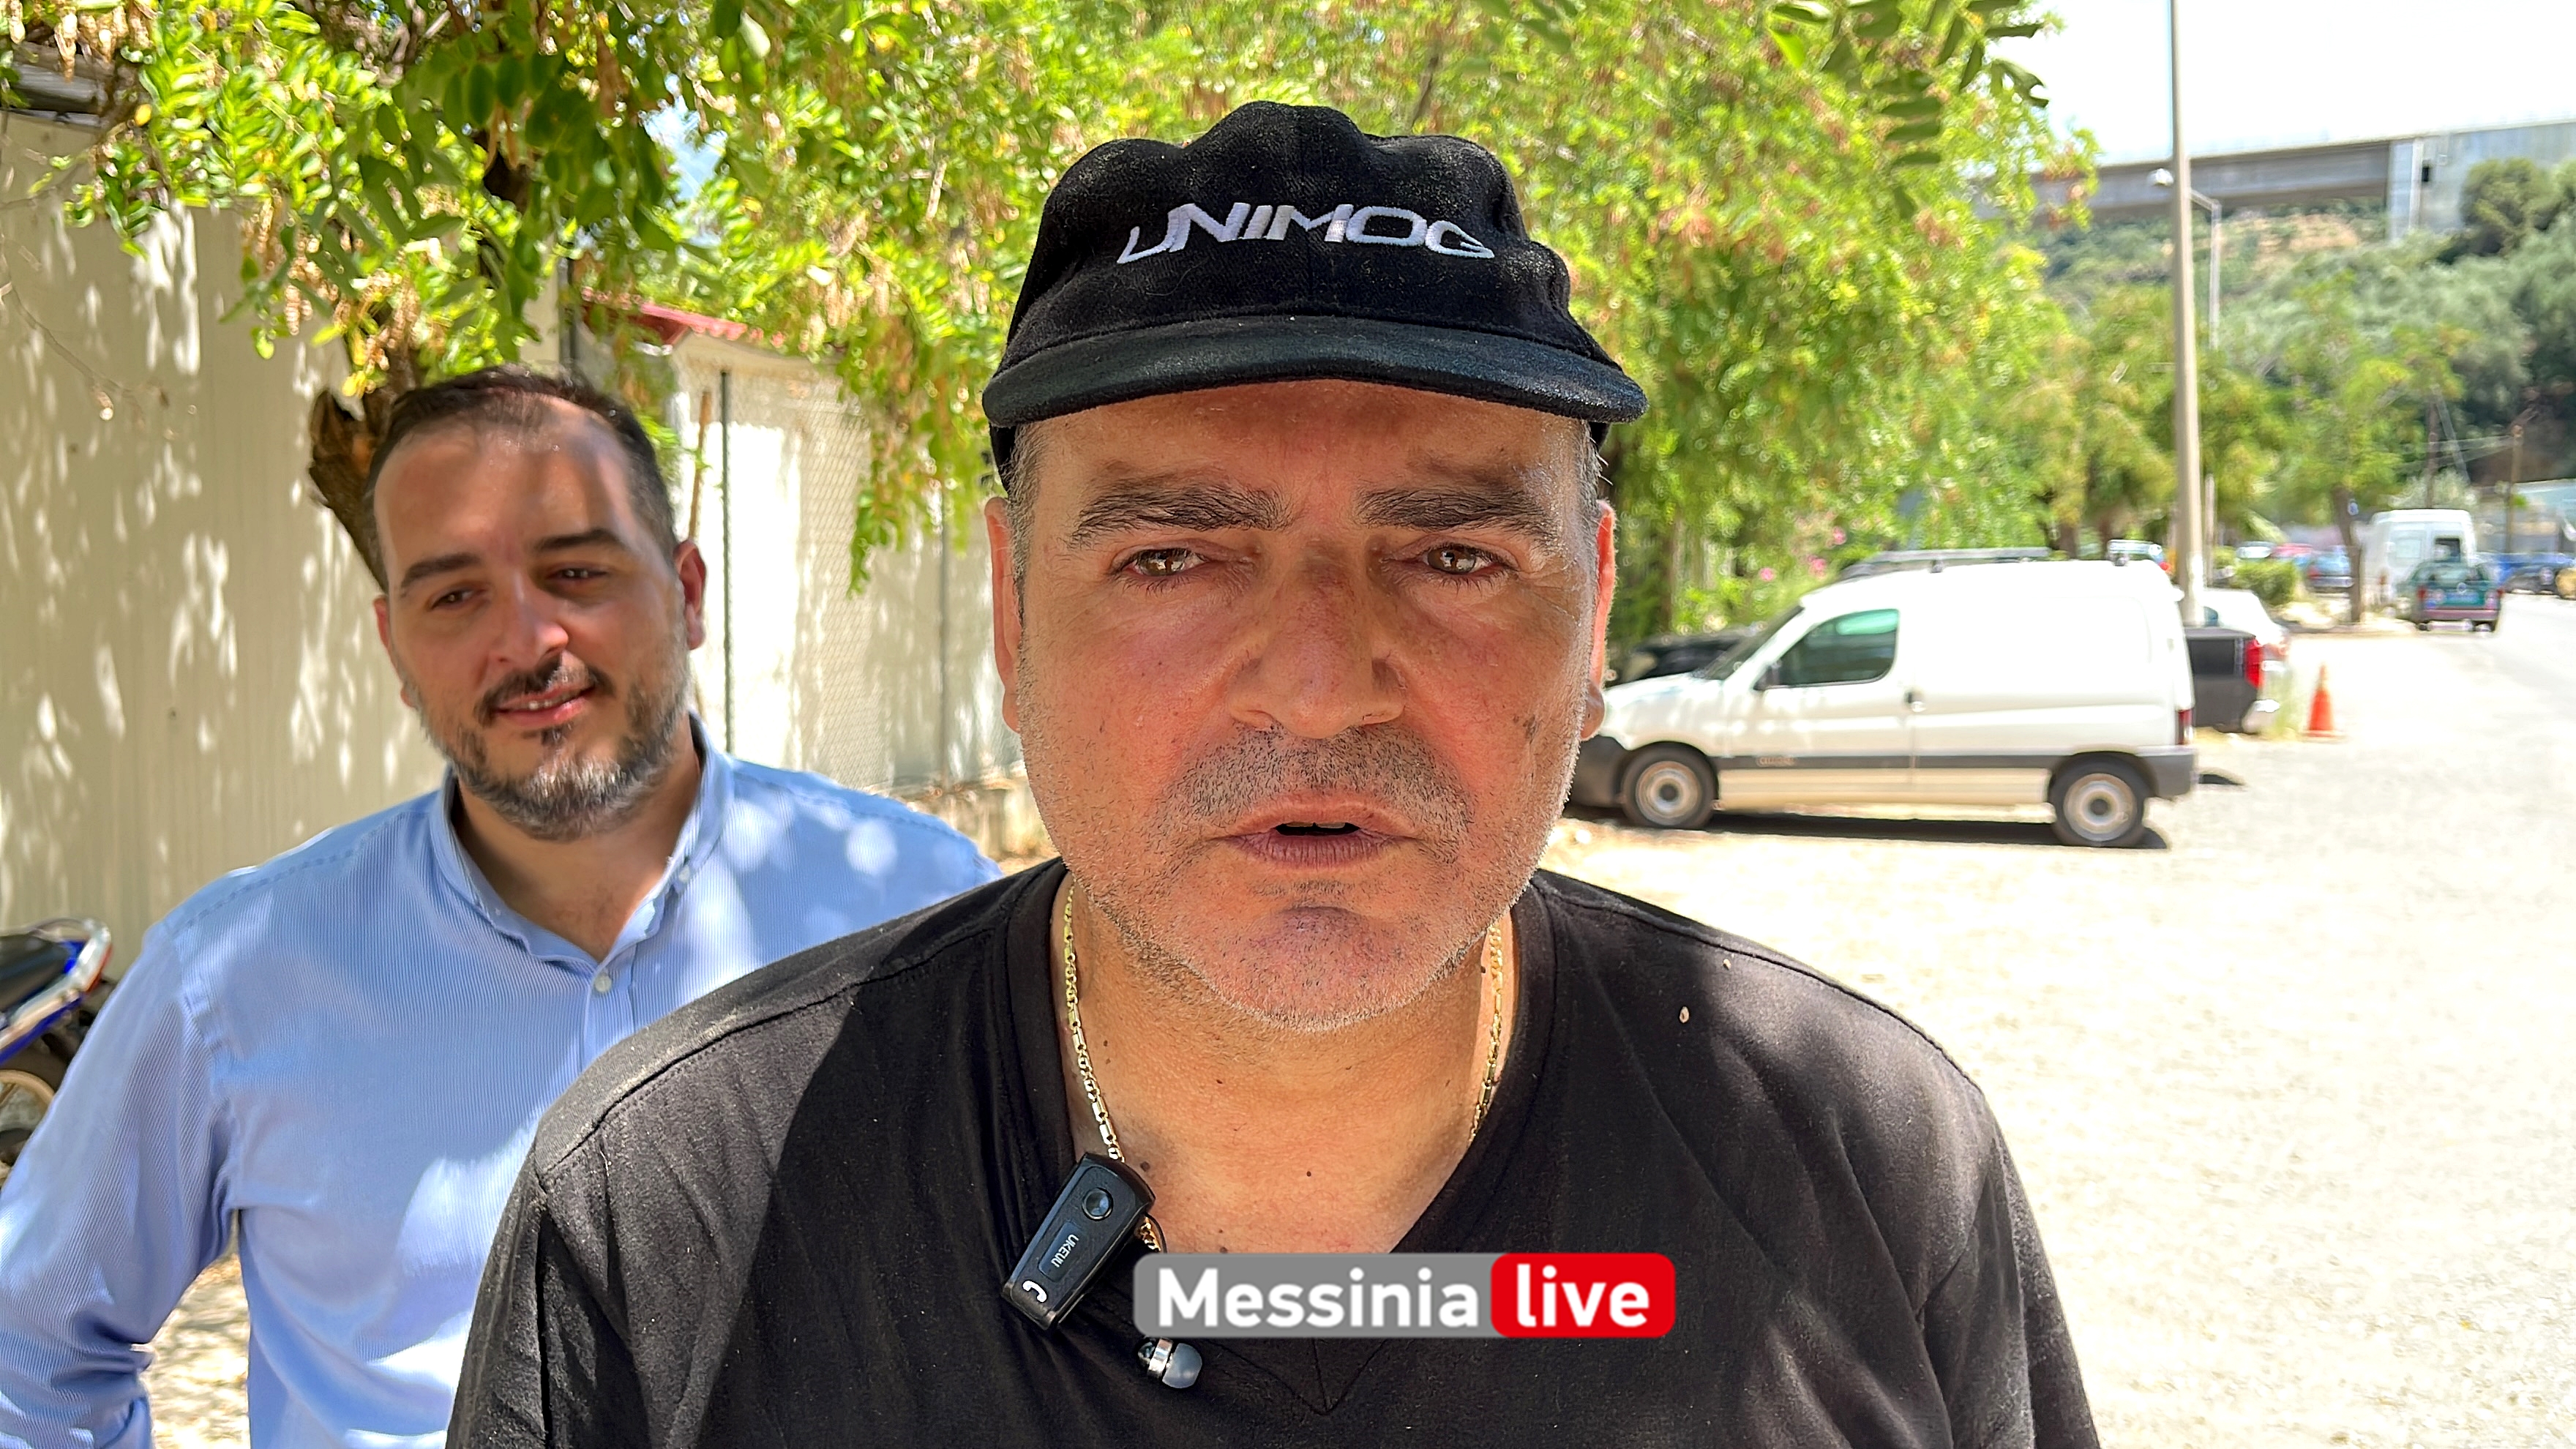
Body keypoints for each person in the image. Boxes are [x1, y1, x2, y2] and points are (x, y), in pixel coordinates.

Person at [449, 104, 2099, 1447]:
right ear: (1014, 616)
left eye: (1453, 556)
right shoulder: (675, 1209)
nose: (1318, 688)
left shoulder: (1858, 1158)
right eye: (1172, 559)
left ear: (1593, 611)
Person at [0, 367, 997, 1448]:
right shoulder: (236, 979)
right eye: (454, 595)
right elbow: (27, 1350)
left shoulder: (921, 909)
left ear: (688, 591)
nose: (527, 642)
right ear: (394, 646)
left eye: (576, 571)